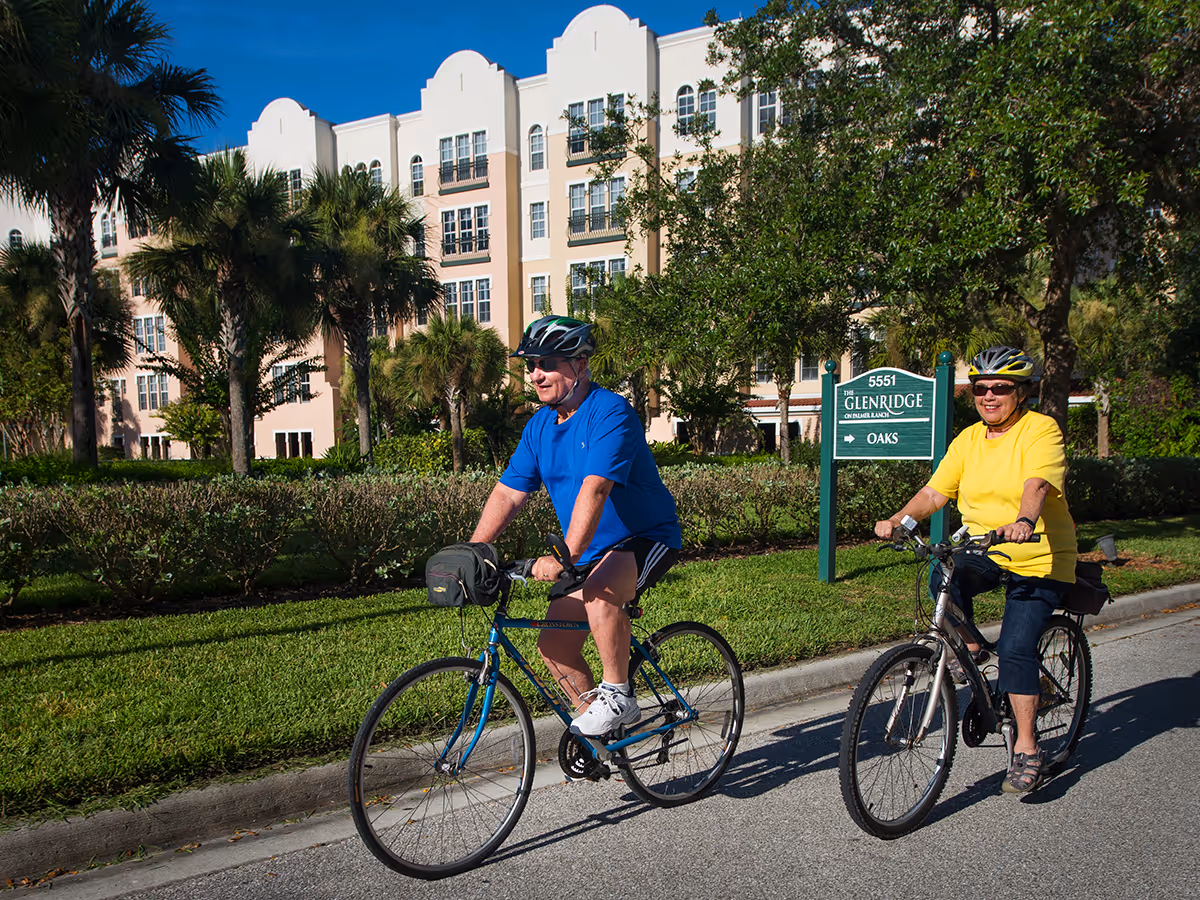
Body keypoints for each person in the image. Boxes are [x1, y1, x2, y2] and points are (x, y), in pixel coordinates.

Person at [874, 346, 1077, 794]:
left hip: (1037, 555)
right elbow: (934, 493)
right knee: (940, 574)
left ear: (1020, 392)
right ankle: (974, 653)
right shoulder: (968, 440)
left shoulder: (1040, 430)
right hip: (985, 547)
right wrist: (899, 521)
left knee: (1020, 649)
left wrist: (1024, 521)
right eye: (980, 389)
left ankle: (1026, 748)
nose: (989, 396)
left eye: (1000, 388)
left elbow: (1036, 485)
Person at [470, 315, 682, 737]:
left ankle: (619, 695)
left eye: (547, 363)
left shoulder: (610, 412)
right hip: (585, 551)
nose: (535, 374)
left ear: (580, 365)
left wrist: (563, 556)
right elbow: (509, 493)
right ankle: (606, 734)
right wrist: (474, 549)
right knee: (554, 645)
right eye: (530, 365)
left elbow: (595, 489)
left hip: (645, 537)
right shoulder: (539, 427)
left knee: (601, 592)